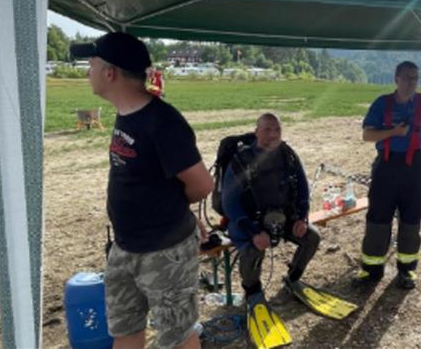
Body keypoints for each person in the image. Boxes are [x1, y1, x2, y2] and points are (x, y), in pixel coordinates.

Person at [70, 32, 213, 349]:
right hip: (125, 247)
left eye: (91, 64)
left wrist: (176, 210)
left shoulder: (163, 123)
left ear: (110, 72)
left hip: (165, 251)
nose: (86, 72)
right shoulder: (125, 114)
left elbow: (202, 185)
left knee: (177, 336)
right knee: (125, 329)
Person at [356, 61, 421, 289]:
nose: (411, 82)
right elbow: (367, 135)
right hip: (386, 166)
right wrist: (393, 132)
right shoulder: (382, 104)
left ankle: (406, 271)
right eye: (406, 77)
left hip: (416, 167)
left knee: (411, 218)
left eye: (415, 78)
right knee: (378, 218)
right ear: (396, 78)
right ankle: (371, 270)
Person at [221, 113, 320, 302]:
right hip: (247, 221)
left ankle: (293, 278)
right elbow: (230, 203)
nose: (273, 135)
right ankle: (252, 291)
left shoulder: (288, 155)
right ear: (256, 132)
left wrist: (302, 218)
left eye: (277, 130)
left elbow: (302, 189)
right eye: (267, 130)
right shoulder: (242, 161)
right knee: (253, 250)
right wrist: (254, 231)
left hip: (283, 218)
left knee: (312, 237)